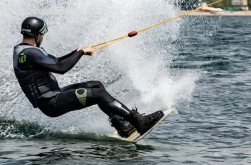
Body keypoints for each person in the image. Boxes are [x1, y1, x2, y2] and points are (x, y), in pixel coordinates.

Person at [13, 16, 163, 138]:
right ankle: (138, 121)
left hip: (54, 96)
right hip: (51, 102)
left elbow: (57, 61)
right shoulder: (30, 53)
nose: (42, 38)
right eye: (42, 35)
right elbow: (61, 68)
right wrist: (80, 53)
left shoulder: (27, 51)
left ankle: (122, 126)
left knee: (95, 85)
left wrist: (78, 50)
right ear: (38, 34)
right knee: (98, 94)